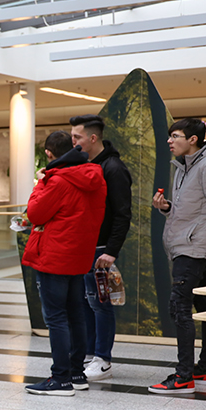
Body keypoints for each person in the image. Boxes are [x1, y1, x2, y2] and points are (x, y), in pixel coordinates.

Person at [149, 119, 206, 394]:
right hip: (188, 245)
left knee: (179, 309)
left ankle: (184, 375)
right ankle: (205, 369)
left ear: (194, 140)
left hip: (194, 250)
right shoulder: (185, 167)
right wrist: (167, 208)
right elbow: (194, 211)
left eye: (175, 136)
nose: (169, 141)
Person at [21, 130, 106, 396]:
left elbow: (35, 213)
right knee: (76, 314)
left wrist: (39, 184)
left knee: (56, 317)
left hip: (54, 257)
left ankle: (60, 378)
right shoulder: (95, 177)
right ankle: (76, 372)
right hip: (80, 255)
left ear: (48, 154)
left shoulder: (55, 181)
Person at [70, 114, 132, 383]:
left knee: (101, 303)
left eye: (77, 137)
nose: (73, 142)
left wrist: (111, 251)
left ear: (92, 138)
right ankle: (88, 353)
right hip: (85, 247)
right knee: (86, 303)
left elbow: (122, 214)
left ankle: (103, 359)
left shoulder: (113, 168)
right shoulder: (84, 165)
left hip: (101, 249)